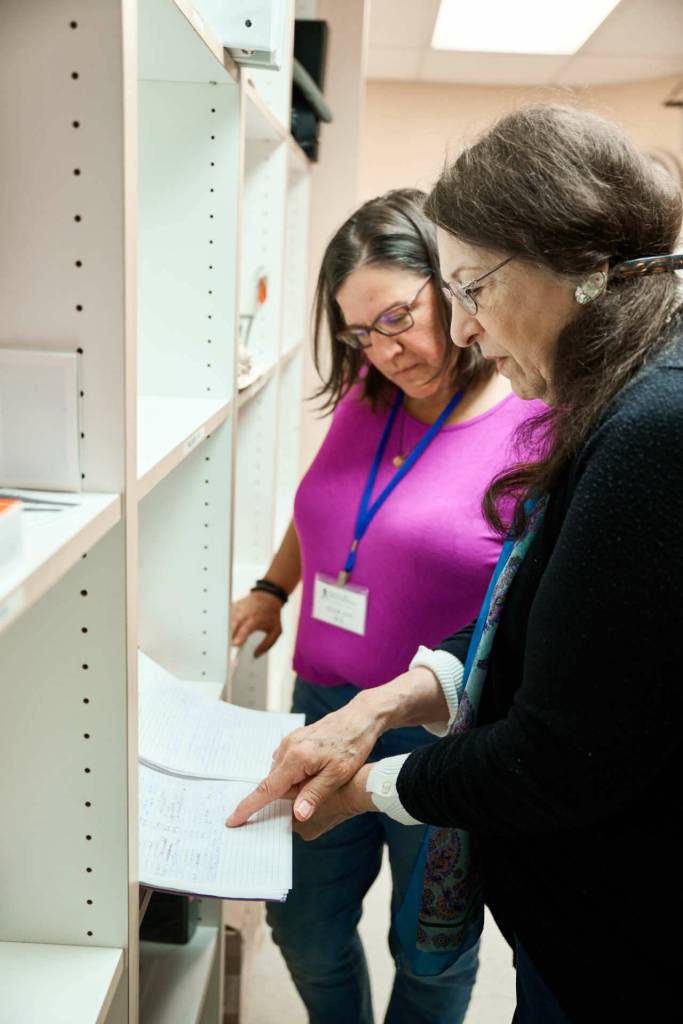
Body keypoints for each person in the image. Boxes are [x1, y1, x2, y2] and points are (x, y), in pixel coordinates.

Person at [228, 107, 683, 1023]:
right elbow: (536, 608)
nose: (467, 326)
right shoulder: (620, 395)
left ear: (561, 267)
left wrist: (372, 781)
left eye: (467, 287)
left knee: (427, 957)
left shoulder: (643, 429)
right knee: (311, 924)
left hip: (613, 926)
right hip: (432, 751)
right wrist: (388, 693)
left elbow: (559, 754)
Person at [230, 188, 546, 1024]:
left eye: (398, 317)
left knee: (430, 951)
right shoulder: (364, 401)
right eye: (358, 333)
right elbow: (326, 513)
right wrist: (273, 588)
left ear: (451, 287)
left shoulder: (532, 424)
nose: (383, 351)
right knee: (300, 925)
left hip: (441, 732)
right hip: (324, 707)